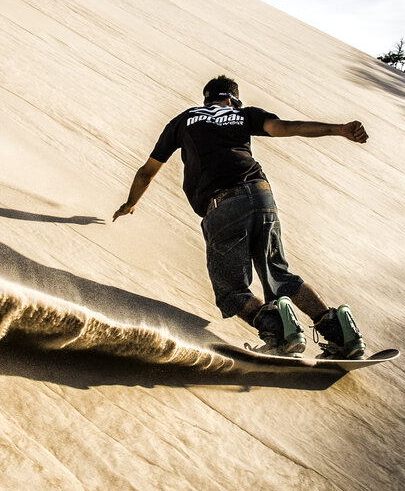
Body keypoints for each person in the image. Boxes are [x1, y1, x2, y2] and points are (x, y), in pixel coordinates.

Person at [113, 75, 368, 358]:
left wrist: (130, 203)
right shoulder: (243, 114)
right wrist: (338, 129)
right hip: (262, 195)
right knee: (279, 274)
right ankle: (341, 334)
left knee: (230, 289)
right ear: (232, 98)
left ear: (206, 99)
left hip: (224, 204)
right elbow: (286, 127)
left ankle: (280, 331)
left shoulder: (184, 120)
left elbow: (147, 171)